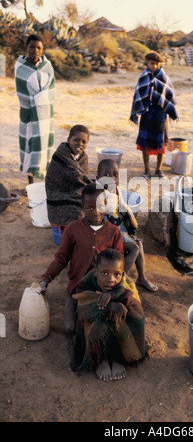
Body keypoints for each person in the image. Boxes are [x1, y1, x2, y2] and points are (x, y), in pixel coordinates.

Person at [38, 183, 123, 333]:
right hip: (76, 286)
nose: (96, 212)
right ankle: (71, 301)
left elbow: (119, 267)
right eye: (90, 207)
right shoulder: (73, 229)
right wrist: (46, 279)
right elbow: (61, 258)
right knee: (71, 328)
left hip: (103, 287)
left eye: (99, 206)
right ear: (82, 207)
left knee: (108, 325)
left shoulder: (114, 232)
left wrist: (111, 291)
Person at [70, 249, 147, 380]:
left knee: (118, 311)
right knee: (95, 316)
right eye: (105, 273)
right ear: (95, 271)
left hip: (120, 333)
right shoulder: (85, 284)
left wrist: (114, 300)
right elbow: (83, 309)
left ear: (122, 273)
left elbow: (138, 317)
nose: (111, 279)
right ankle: (102, 358)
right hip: (98, 331)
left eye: (117, 274)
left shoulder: (128, 285)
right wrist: (104, 306)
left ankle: (118, 357)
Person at [97, 158, 158, 292]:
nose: (111, 178)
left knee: (139, 243)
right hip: (104, 237)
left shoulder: (116, 191)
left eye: (115, 174)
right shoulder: (98, 195)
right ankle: (117, 282)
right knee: (134, 248)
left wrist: (131, 223)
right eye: (106, 176)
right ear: (98, 178)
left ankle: (141, 278)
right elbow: (102, 223)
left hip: (117, 231)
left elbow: (123, 209)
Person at [130, 51, 178, 179]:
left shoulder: (164, 78)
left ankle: (159, 170)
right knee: (145, 144)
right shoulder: (143, 76)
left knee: (161, 144)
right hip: (146, 114)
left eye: (157, 64)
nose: (154, 66)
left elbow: (169, 97)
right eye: (152, 63)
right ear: (147, 63)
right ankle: (146, 171)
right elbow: (138, 95)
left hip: (160, 115)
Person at [15, 34, 56, 185]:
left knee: (45, 145)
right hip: (28, 114)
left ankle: (45, 180)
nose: (35, 50)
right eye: (32, 47)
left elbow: (51, 90)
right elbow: (21, 92)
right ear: (26, 47)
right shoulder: (20, 68)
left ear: (42, 49)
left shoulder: (47, 67)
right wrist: (37, 99)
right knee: (28, 145)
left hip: (45, 115)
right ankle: (30, 181)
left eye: (39, 47)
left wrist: (40, 98)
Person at [45, 124, 92, 231]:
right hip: (58, 193)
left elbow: (83, 178)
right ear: (68, 140)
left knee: (91, 202)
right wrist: (92, 187)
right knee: (77, 208)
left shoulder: (84, 157)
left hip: (75, 191)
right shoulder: (60, 155)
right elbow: (77, 177)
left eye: (84, 142)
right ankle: (72, 236)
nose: (80, 144)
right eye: (76, 140)